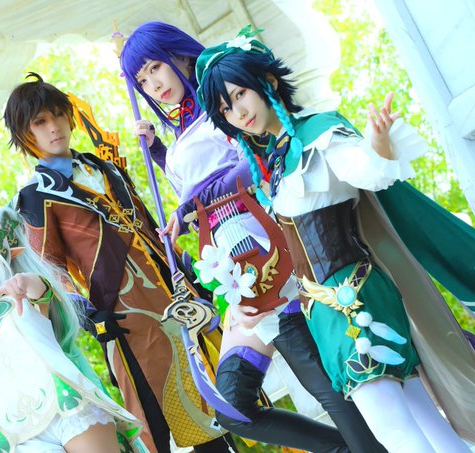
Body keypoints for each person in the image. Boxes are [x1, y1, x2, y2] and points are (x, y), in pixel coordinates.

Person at [196, 25, 474, 453]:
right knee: (423, 419)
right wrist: (250, 304)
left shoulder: (319, 137)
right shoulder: (277, 161)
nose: (238, 111)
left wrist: (378, 143)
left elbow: (367, 170)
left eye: (240, 94)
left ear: (267, 82)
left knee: (391, 429)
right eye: (225, 108)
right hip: (326, 310)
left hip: (354, 298)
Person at [120, 21, 385, 453]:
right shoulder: (183, 128)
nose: (153, 84)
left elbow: (254, 162)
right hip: (234, 269)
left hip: (267, 252)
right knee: (232, 406)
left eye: (155, 67)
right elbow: (200, 182)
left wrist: (192, 204)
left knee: (324, 385)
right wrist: (160, 154)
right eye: (142, 80)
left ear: (180, 55)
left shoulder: (223, 106)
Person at [3, 73, 236, 453]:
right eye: (40, 122)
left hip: (175, 294)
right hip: (125, 316)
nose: (54, 127)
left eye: (58, 115)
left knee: (216, 391)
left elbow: (147, 223)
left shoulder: (106, 166)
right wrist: (84, 312)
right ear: (24, 134)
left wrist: (184, 268)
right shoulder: (35, 196)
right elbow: (49, 266)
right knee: (160, 413)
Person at [0, 206, 146, 453]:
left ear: (3, 253)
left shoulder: (24, 291)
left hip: (67, 405)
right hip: (14, 435)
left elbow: (38, 289)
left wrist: (23, 283)